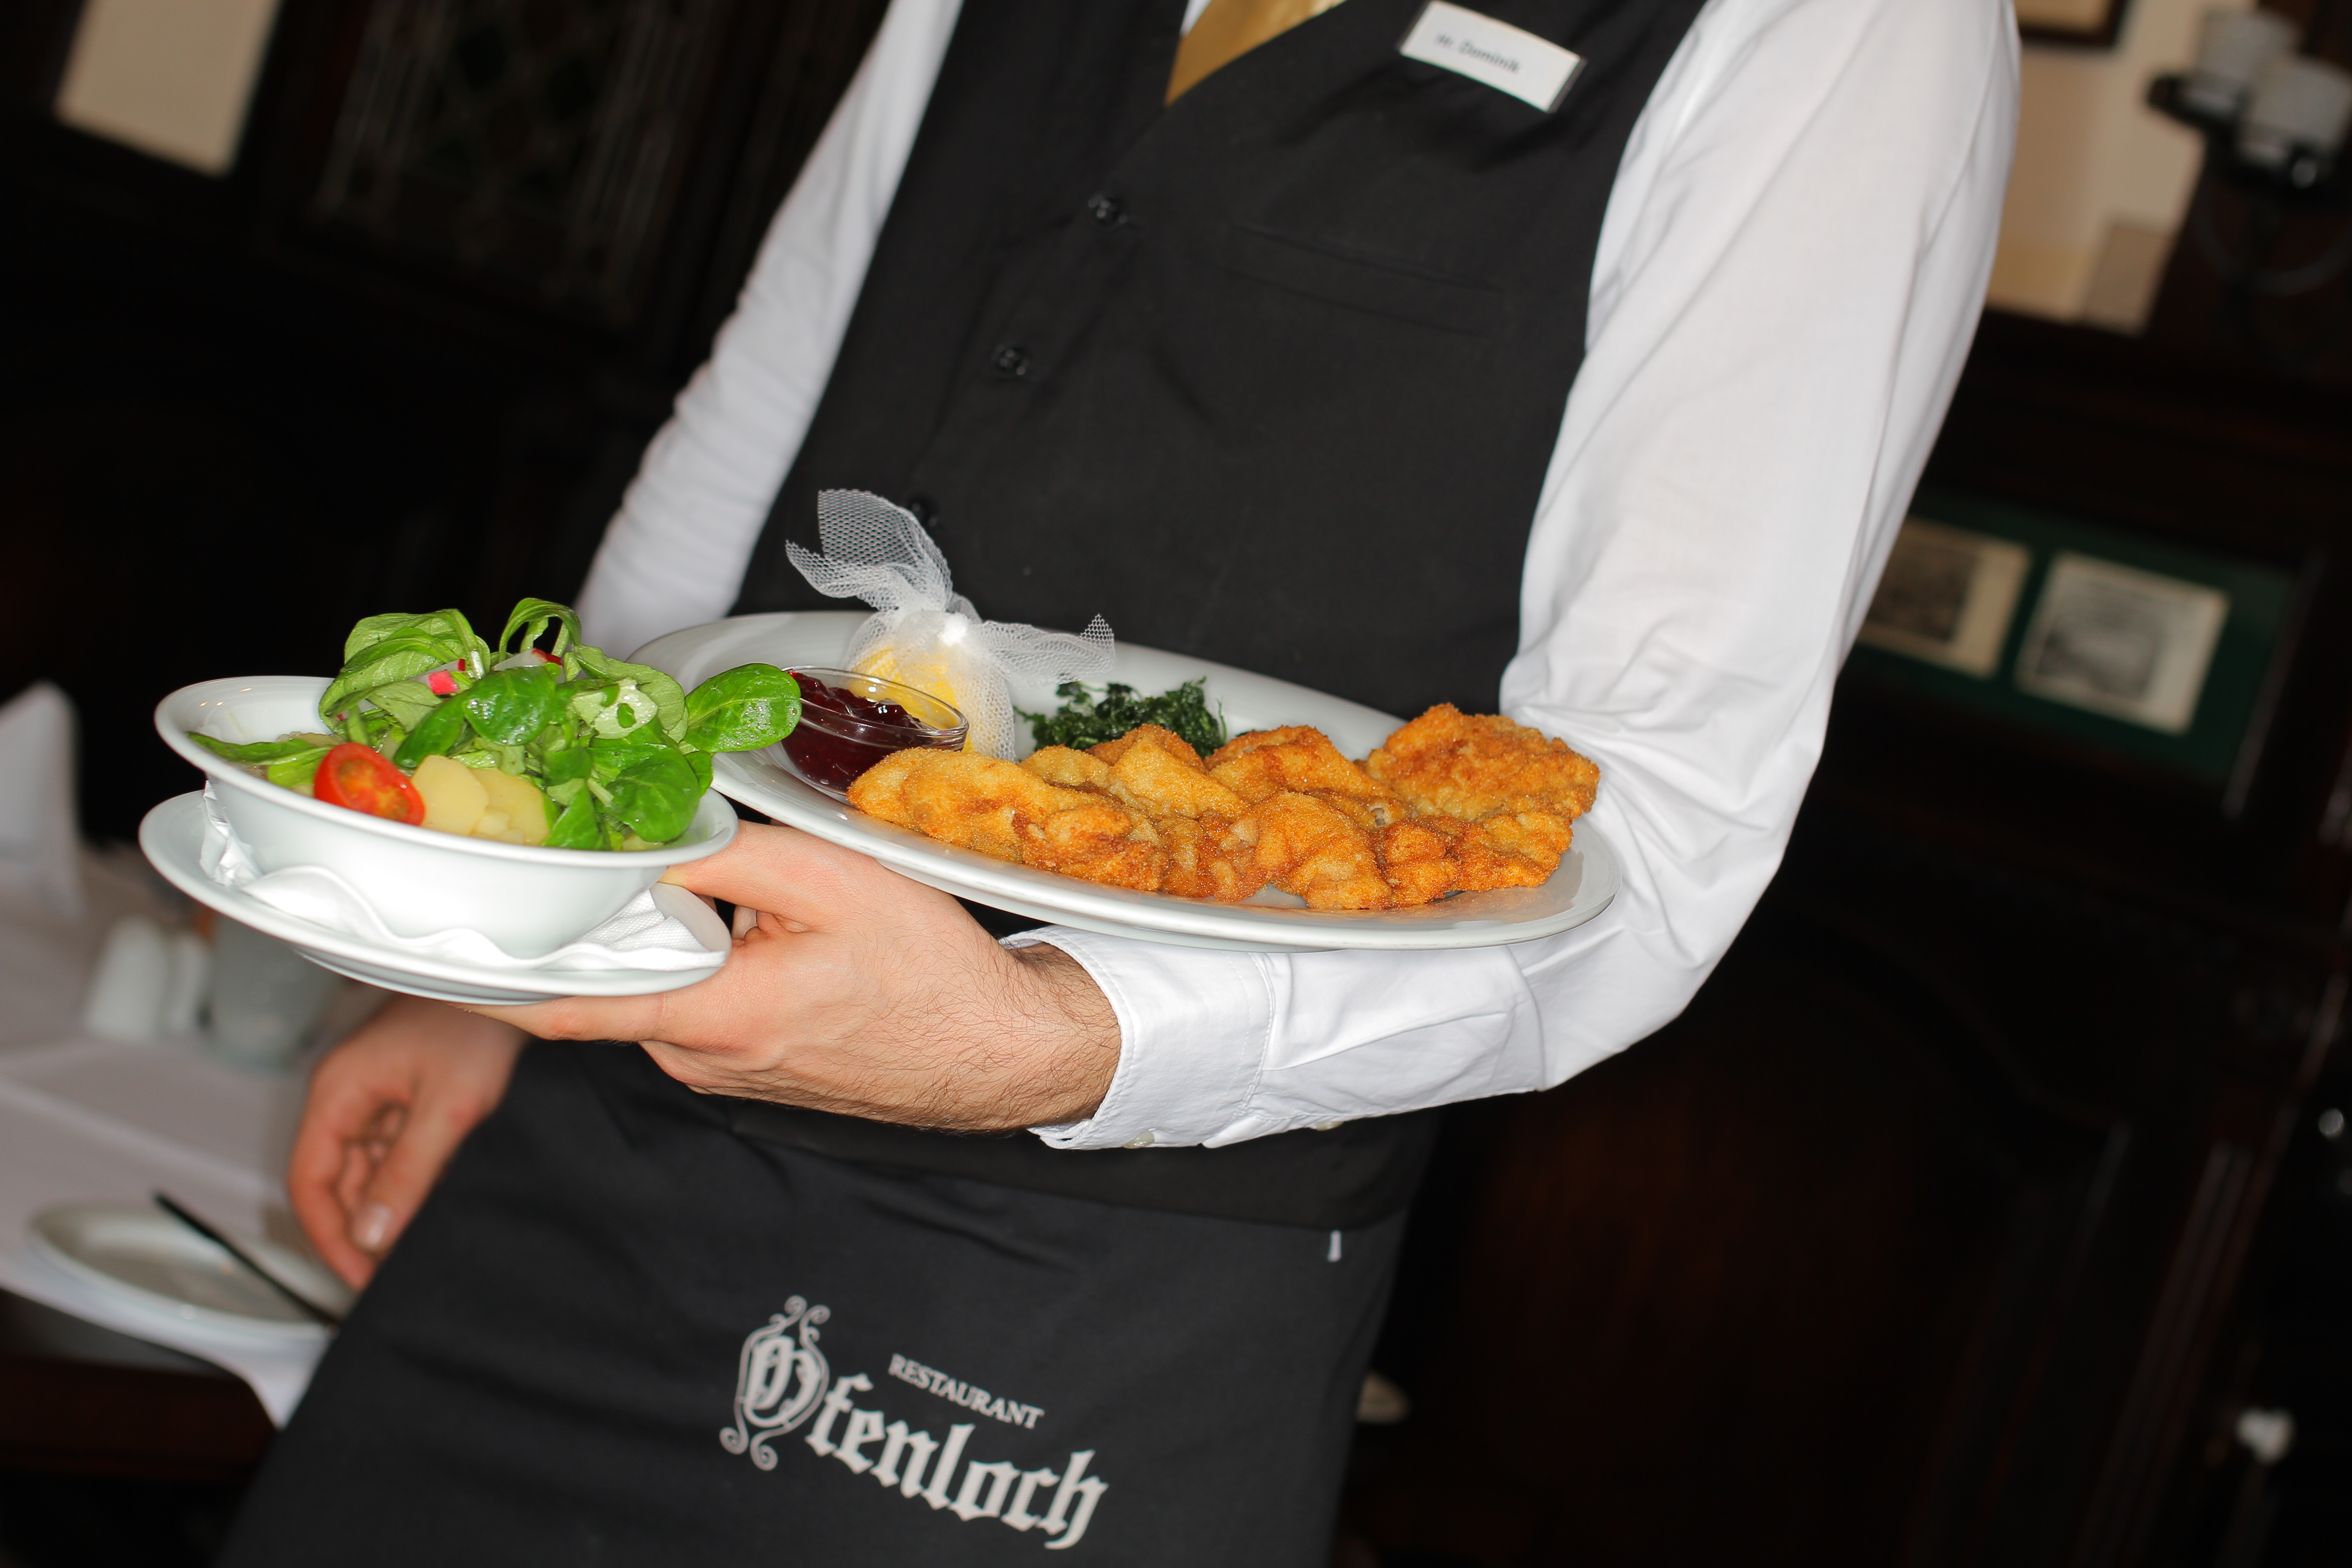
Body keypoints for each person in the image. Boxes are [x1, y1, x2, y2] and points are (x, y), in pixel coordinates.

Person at [221, 0, 2016, 1560]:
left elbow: (1662, 822)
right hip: (598, 1141)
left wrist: (1047, 1036)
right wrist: (513, 948)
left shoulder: (1848, 24)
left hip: (1088, 1287)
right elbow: (759, 437)